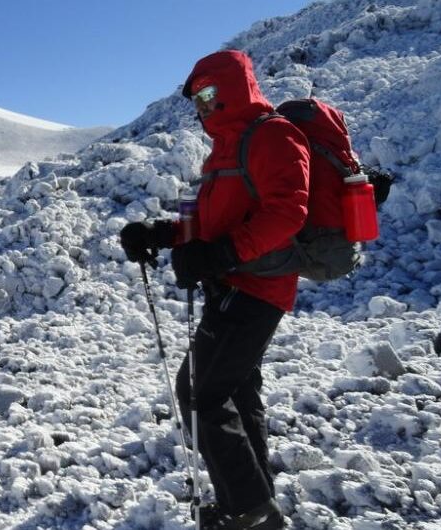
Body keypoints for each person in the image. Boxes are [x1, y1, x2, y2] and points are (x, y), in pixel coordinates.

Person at [120, 50, 309, 530]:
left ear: (233, 88)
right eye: (196, 98)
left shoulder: (272, 135)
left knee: (199, 393)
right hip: (229, 286)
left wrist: (222, 254)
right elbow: (205, 224)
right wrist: (160, 235)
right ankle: (255, 504)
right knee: (239, 395)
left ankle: (246, 510)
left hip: (258, 289)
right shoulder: (225, 148)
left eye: (209, 93)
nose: (202, 105)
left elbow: (288, 212)